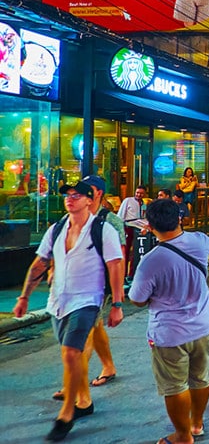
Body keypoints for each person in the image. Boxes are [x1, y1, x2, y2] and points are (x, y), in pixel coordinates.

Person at [14, 180, 124, 441]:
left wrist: (117, 304)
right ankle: (84, 402)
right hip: (58, 302)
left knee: (71, 352)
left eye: (77, 195)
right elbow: (41, 263)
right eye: (68, 195)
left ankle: (66, 414)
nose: (70, 199)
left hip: (87, 300)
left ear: (90, 200)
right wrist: (24, 297)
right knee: (70, 355)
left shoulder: (103, 229)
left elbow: (116, 266)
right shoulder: (56, 229)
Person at [129, 198, 209, 444]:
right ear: (179, 218)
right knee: (201, 377)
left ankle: (182, 435)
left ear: (150, 225)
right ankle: (196, 424)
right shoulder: (201, 242)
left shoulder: (150, 262)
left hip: (169, 334)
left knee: (175, 385)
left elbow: (137, 299)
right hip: (202, 325)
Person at [48, 175, 125, 402]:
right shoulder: (69, 218)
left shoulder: (110, 222)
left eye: (84, 190)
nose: (76, 195)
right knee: (96, 328)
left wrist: (117, 299)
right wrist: (53, 269)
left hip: (96, 286)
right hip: (70, 288)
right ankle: (109, 366)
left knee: (84, 337)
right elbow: (58, 244)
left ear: (97, 193)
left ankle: (75, 391)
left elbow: (118, 260)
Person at [117, 184, 148, 279]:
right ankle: (123, 274)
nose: (138, 195)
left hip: (138, 229)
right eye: (137, 192)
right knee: (125, 251)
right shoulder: (128, 201)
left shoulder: (143, 204)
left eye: (141, 193)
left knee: (135, 252)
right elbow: (120, 215)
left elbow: (143, 217)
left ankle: (132, 274)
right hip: (127, 227)